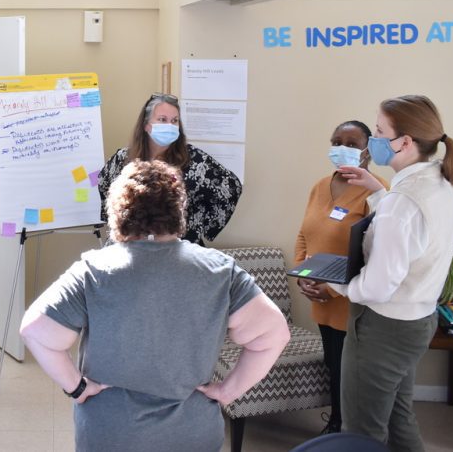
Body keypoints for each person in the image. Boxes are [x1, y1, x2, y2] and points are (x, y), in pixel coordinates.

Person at [21, 160, 289, 451]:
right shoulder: (221, 271)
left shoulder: (94, 270)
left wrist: (77, 386)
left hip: (111, 435)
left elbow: (35, 329)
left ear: (118, 211)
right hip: (192, 435)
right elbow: (274, 335)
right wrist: (227, 391)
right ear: (178, 211)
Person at [330, 95, 453, 451]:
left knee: (361, 433)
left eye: (378, 130)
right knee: (399, 417)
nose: (373, 138)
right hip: (418, 321)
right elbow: (410, 233)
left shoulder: (402, 202)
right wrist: (378, 191)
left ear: (405, 142)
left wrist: (337, 284)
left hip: (383, 330)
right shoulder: (439, 181)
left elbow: (376, 286)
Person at [293, 119, 388, 435]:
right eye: (337, 141)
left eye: (351, 143)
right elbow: (304, 235)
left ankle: (347, 430)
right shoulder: (320, 186)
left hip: (350, 299)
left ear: (367, 151)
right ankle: (337, 424)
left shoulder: (377, 192)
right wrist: (301, 275)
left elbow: (375, 255)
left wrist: (332, 288)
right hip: (319, 298)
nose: (341, 149)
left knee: (351, 373)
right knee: (334, 366)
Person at [97, 92, 242, 245]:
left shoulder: (195, 160)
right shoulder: (123, 159)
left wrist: (199, 225)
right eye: (162, 120)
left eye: (174, 121)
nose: (170, 126)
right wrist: (118, 223)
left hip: (180, 247)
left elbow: (231, 187)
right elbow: (104, 184)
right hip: (131, 246)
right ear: (146, 125)